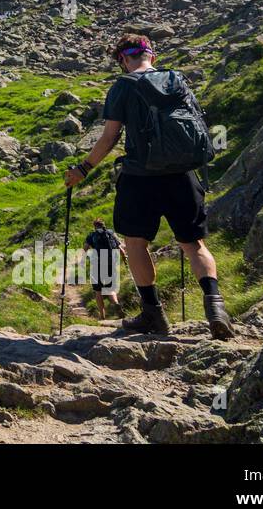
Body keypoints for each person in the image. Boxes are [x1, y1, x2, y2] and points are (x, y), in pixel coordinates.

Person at [63, 33, 234, 339]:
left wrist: (83, 169)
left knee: (136, 244)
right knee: (194, 246)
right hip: (183, 175)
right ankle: (216, 308)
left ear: (123, 60)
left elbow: (110, 137)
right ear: (152, 56)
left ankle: (153, 314)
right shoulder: (176, 80)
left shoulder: (124, 85)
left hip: (141, 178)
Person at [82, 218, 124, 320]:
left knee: (98, 291)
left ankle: (102, 315)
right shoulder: (110, 233)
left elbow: (85, 248)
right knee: (110, 288)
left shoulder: (92, 235)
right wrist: (124, 258)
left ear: (94, 226)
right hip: (111, 263)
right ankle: (116, 303)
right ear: (104, 225)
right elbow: (120, 248)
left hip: (97, 265)